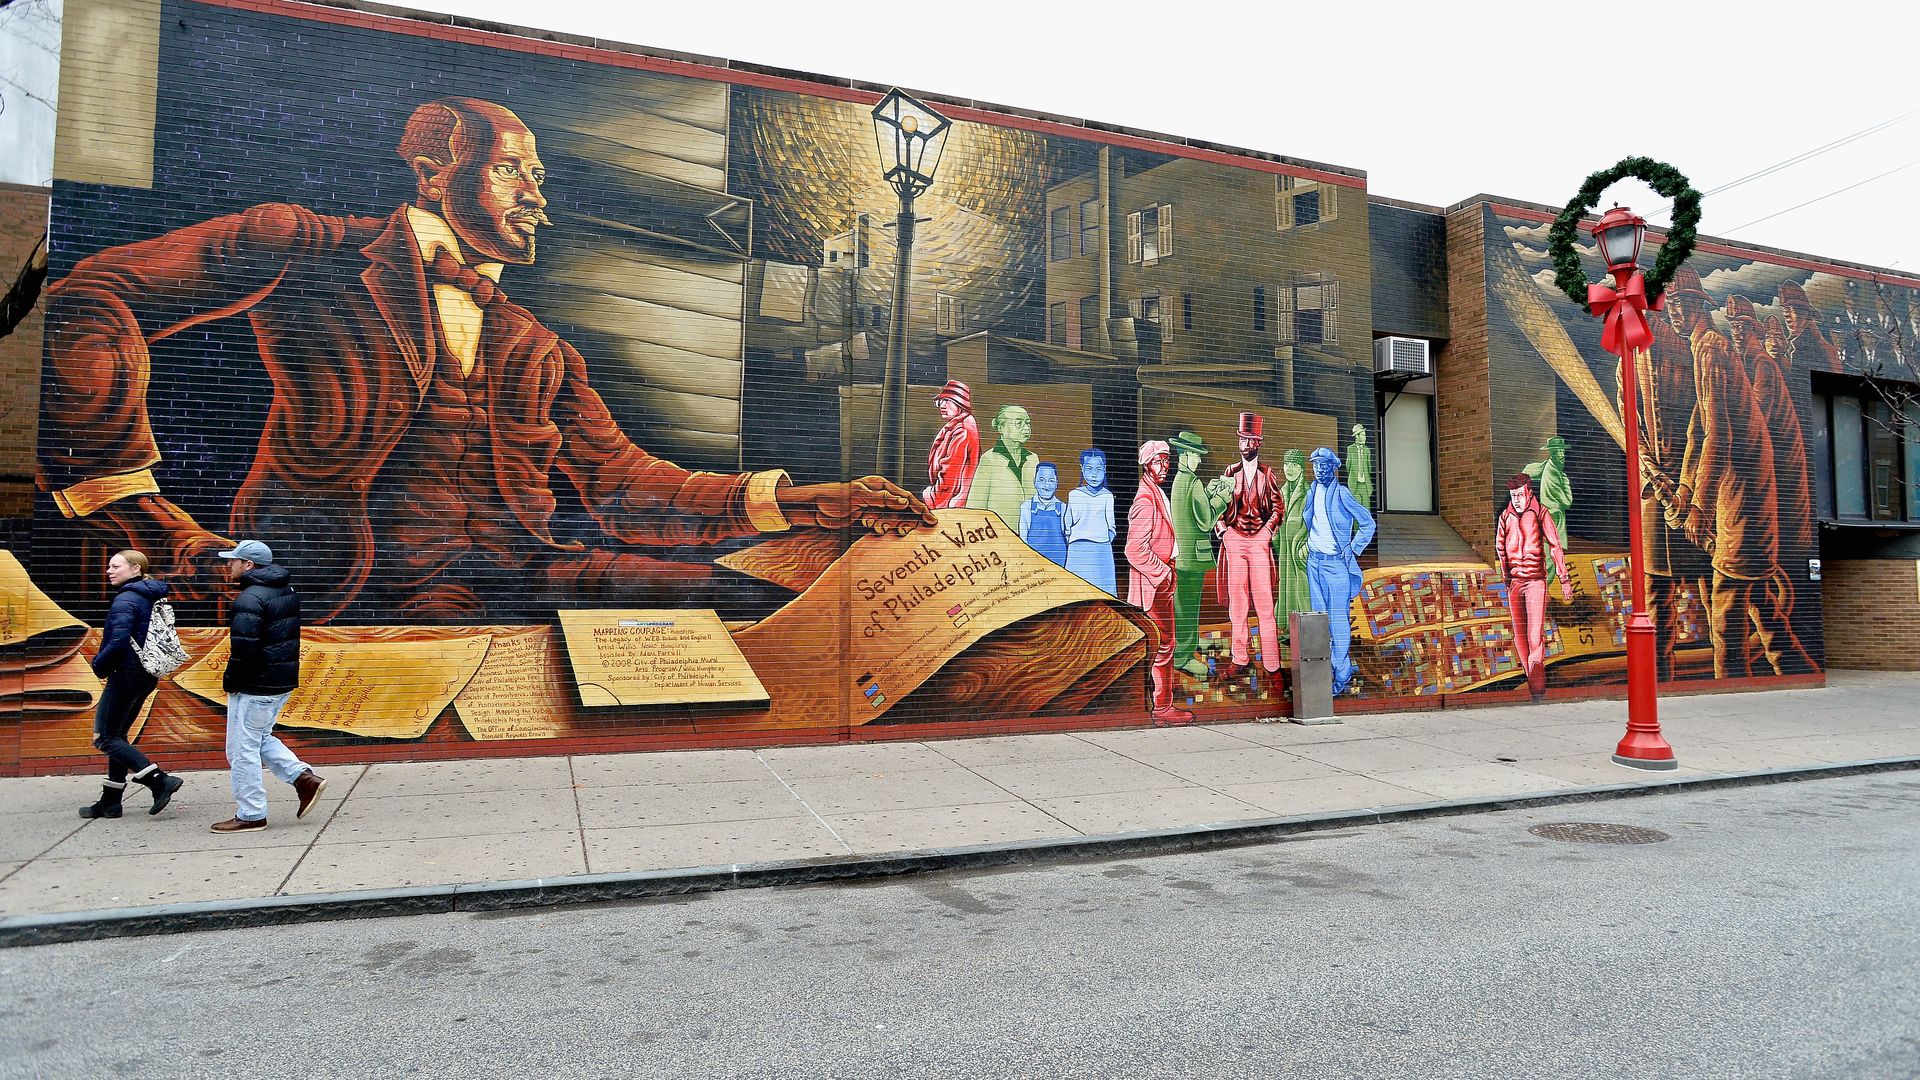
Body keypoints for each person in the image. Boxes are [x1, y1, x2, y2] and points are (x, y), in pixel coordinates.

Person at [41, 96, 932, 624]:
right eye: (516, 173)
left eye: (539, 179)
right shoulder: (306, 249)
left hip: (529, 572)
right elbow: (93, 298)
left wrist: (816, 500)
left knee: (766, 599)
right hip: (355, 589)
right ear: (434, 173)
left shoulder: (535, 347)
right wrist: (146, 519)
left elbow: (627, 487)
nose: (539, 201)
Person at [1664, 268, 1796, 678]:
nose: (1670, 313)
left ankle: (1730, 685)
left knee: (1727, 600)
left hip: (1746, 492)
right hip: (1737, 490)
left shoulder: (1711, 348)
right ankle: (1790, 668)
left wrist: (1699, 505)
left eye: (1675, 304)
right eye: (1666, 304)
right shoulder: (1705, 347)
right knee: (1756, 599)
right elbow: (1697, 428)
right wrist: (1686, 490)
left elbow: (1719, 434)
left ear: (1694, 306)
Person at [209, 540, 326, 832]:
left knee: (241, 750)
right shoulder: (284, 590)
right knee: (258, 738)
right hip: (278, 681)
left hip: (255, 685)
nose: (228, 565)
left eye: (233, 560)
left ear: (248, 565)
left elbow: (245, 648)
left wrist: (232, 682)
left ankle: (251, 814)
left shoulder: (249, 599)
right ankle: (303, 779)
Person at [78, 549, 183, 819]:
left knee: (104, 737)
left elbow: (118, 640)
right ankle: (111, 801)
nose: (109, 571)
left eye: (116, 566)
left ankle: (159, 780)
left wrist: (98, 665)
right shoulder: (149, 596)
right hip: (145, 674)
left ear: (135, 569)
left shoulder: (126, 599)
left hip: (125, 673)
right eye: (109, 566)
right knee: (118, 736)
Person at [1125, 441, 1192, 726]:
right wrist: (1163, 573)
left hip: (1161, 580)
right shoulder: (1145, 499)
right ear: (1146, 464)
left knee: (1160, 644)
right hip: (1153, 586)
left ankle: (1156, 704)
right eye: (1158, 461)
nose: (1164, 466)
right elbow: (1134, 550)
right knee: (1163, 645)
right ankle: (1162, 707)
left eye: (1166, 460)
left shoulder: (1155, 493)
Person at [1300, 446, 1375, 697]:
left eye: (1324, 466)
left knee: (1338, 621)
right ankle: (1323, 673)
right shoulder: (1312, 490)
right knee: (1319, 619)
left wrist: (1353, 547)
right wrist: (1305, 544)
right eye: (1316, 465)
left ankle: (1342, 673)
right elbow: (1311, 522)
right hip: (1315, 563)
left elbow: (1367, 522)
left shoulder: (1342, 493)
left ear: (1333, 468)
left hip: (1336, 566)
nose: (1319, 470)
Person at [1216, 413, 1285, 682]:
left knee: (1265, 605)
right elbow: (1218, 506)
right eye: (1242, 439)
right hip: (1235, 542)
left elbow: (1279, 508)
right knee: (1238, 605)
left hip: (1258, 543)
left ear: (1258, 442)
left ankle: (1272, 665)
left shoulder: (1267, 474)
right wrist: (1224, 532)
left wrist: (1267, 532)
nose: (1244, 444)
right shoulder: (1229, 472)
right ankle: (1239, 658)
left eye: (1249, 440)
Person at [1494, 474, 1572, 701]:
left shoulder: (1541, 513)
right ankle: (1533, 684)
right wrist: (1505, 577)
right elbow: (1500, 549)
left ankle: (1537, 685)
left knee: (1533, 634)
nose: (1517, 499)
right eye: (1513, 495)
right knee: (1519, 635)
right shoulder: (1505, 517)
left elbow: (1555, 546)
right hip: (1515, 582)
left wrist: (1564, 579)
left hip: (1536, 581)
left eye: (1520, 495)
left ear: (1529, 492)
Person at [1167, 430, 1227, 679]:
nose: (1200, 461)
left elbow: (1196, 508)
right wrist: (1223, 497)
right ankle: (1183, 656)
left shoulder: (1182, 481)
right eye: (1197, 456)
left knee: (1186, 606)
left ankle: (1188, 645)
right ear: (1186, 455)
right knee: (1187, 607)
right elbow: (1205, 520)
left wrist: (1210, 491)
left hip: (1184, 556)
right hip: (1192, 558)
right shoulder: (1192, 483)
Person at [966, 404, 1037, 529]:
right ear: (1001, 428)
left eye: (1028, 423)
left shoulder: (1033, 459)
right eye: (1019, 423)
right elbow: (975, 506)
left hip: (1029, 536)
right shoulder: (989, 460)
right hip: (1000, 536)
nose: (1026, 428)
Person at [1521, 436, 1573, 586]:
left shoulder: (1548, 468)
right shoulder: (1554, 474)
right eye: (1558, 452)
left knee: (1548, 556)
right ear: (1552, 453)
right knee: (1550, 558)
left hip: (1549, 516)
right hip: (1553, 516)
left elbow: (1528, 471)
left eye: (1563, 452)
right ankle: (1540, 589)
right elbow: (1567, 502)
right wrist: (1565, 483)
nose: (1562, 455)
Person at [1063, 449, 1116, 595]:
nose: (1094, 474)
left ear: (1104, 469)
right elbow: (1067, 524)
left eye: (1099, 469)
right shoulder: (1074, 495)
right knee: (1077, 591)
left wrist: (1103, 540)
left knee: (1103, 592)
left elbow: (1111, 526)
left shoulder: (1107, 496)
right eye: (1089, 469)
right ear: (1082, 468)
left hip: (1102, 549)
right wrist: (1075, 540)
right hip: (1079, 549)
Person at [1273, 449, 1311, 641]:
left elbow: (1316, 522)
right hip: (1286, 551)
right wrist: (1275, 538)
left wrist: (1307, 546)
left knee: (1302, 591)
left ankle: (1305, 631)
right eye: (1287, 464)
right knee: (1287, 588)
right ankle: (1289, 629)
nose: (1290, 469)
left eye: (1294, 465)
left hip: (1300, 551)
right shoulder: (1281, 492)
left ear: (1301, 468)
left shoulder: (1308, 493)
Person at [924, 380, 980, 509]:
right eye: (940, 401)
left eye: (948, 401)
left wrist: (933, 498)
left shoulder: (962, 429)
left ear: (960, 403)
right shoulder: (956, 426)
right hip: (951, 500)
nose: (942, 405)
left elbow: (950, 473)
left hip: (948, 503)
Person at [1018, 463, 1068, 566]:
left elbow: (1068, 537)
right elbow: (1023, 538)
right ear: (1034, 482)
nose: (1046, 485)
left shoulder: (1063, 508)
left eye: (1051, 481)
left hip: (1059, 563)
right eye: (1041, 480)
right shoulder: (1026, 507)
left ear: (1057, 483)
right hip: (1034, 563)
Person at [1345, 424, 1374, 510]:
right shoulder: (1350, 449)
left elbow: (1369, 468)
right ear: (1357, 436)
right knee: (1355, 510)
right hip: (1354, 484)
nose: (1365, 437)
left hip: (1365, 485)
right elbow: (1348, 466)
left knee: (1366, 510)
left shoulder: (1367, 450)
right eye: (1363, 435)